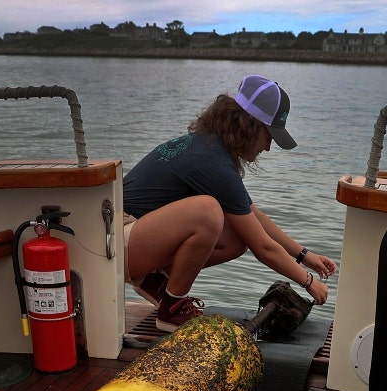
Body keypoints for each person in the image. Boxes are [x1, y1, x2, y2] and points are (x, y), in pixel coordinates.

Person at [122, 74, 338, 331]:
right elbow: (263, 248)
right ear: (250, 125)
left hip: (128, 239)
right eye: (269, 137)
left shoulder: (211, 148)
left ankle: (158, 282)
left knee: (236, 236)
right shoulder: (213, 163)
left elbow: (253, 216)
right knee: (208, 212)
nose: (268, 148)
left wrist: (305, 256)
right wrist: (308, 282)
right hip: (113, 243)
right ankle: (172, 309)